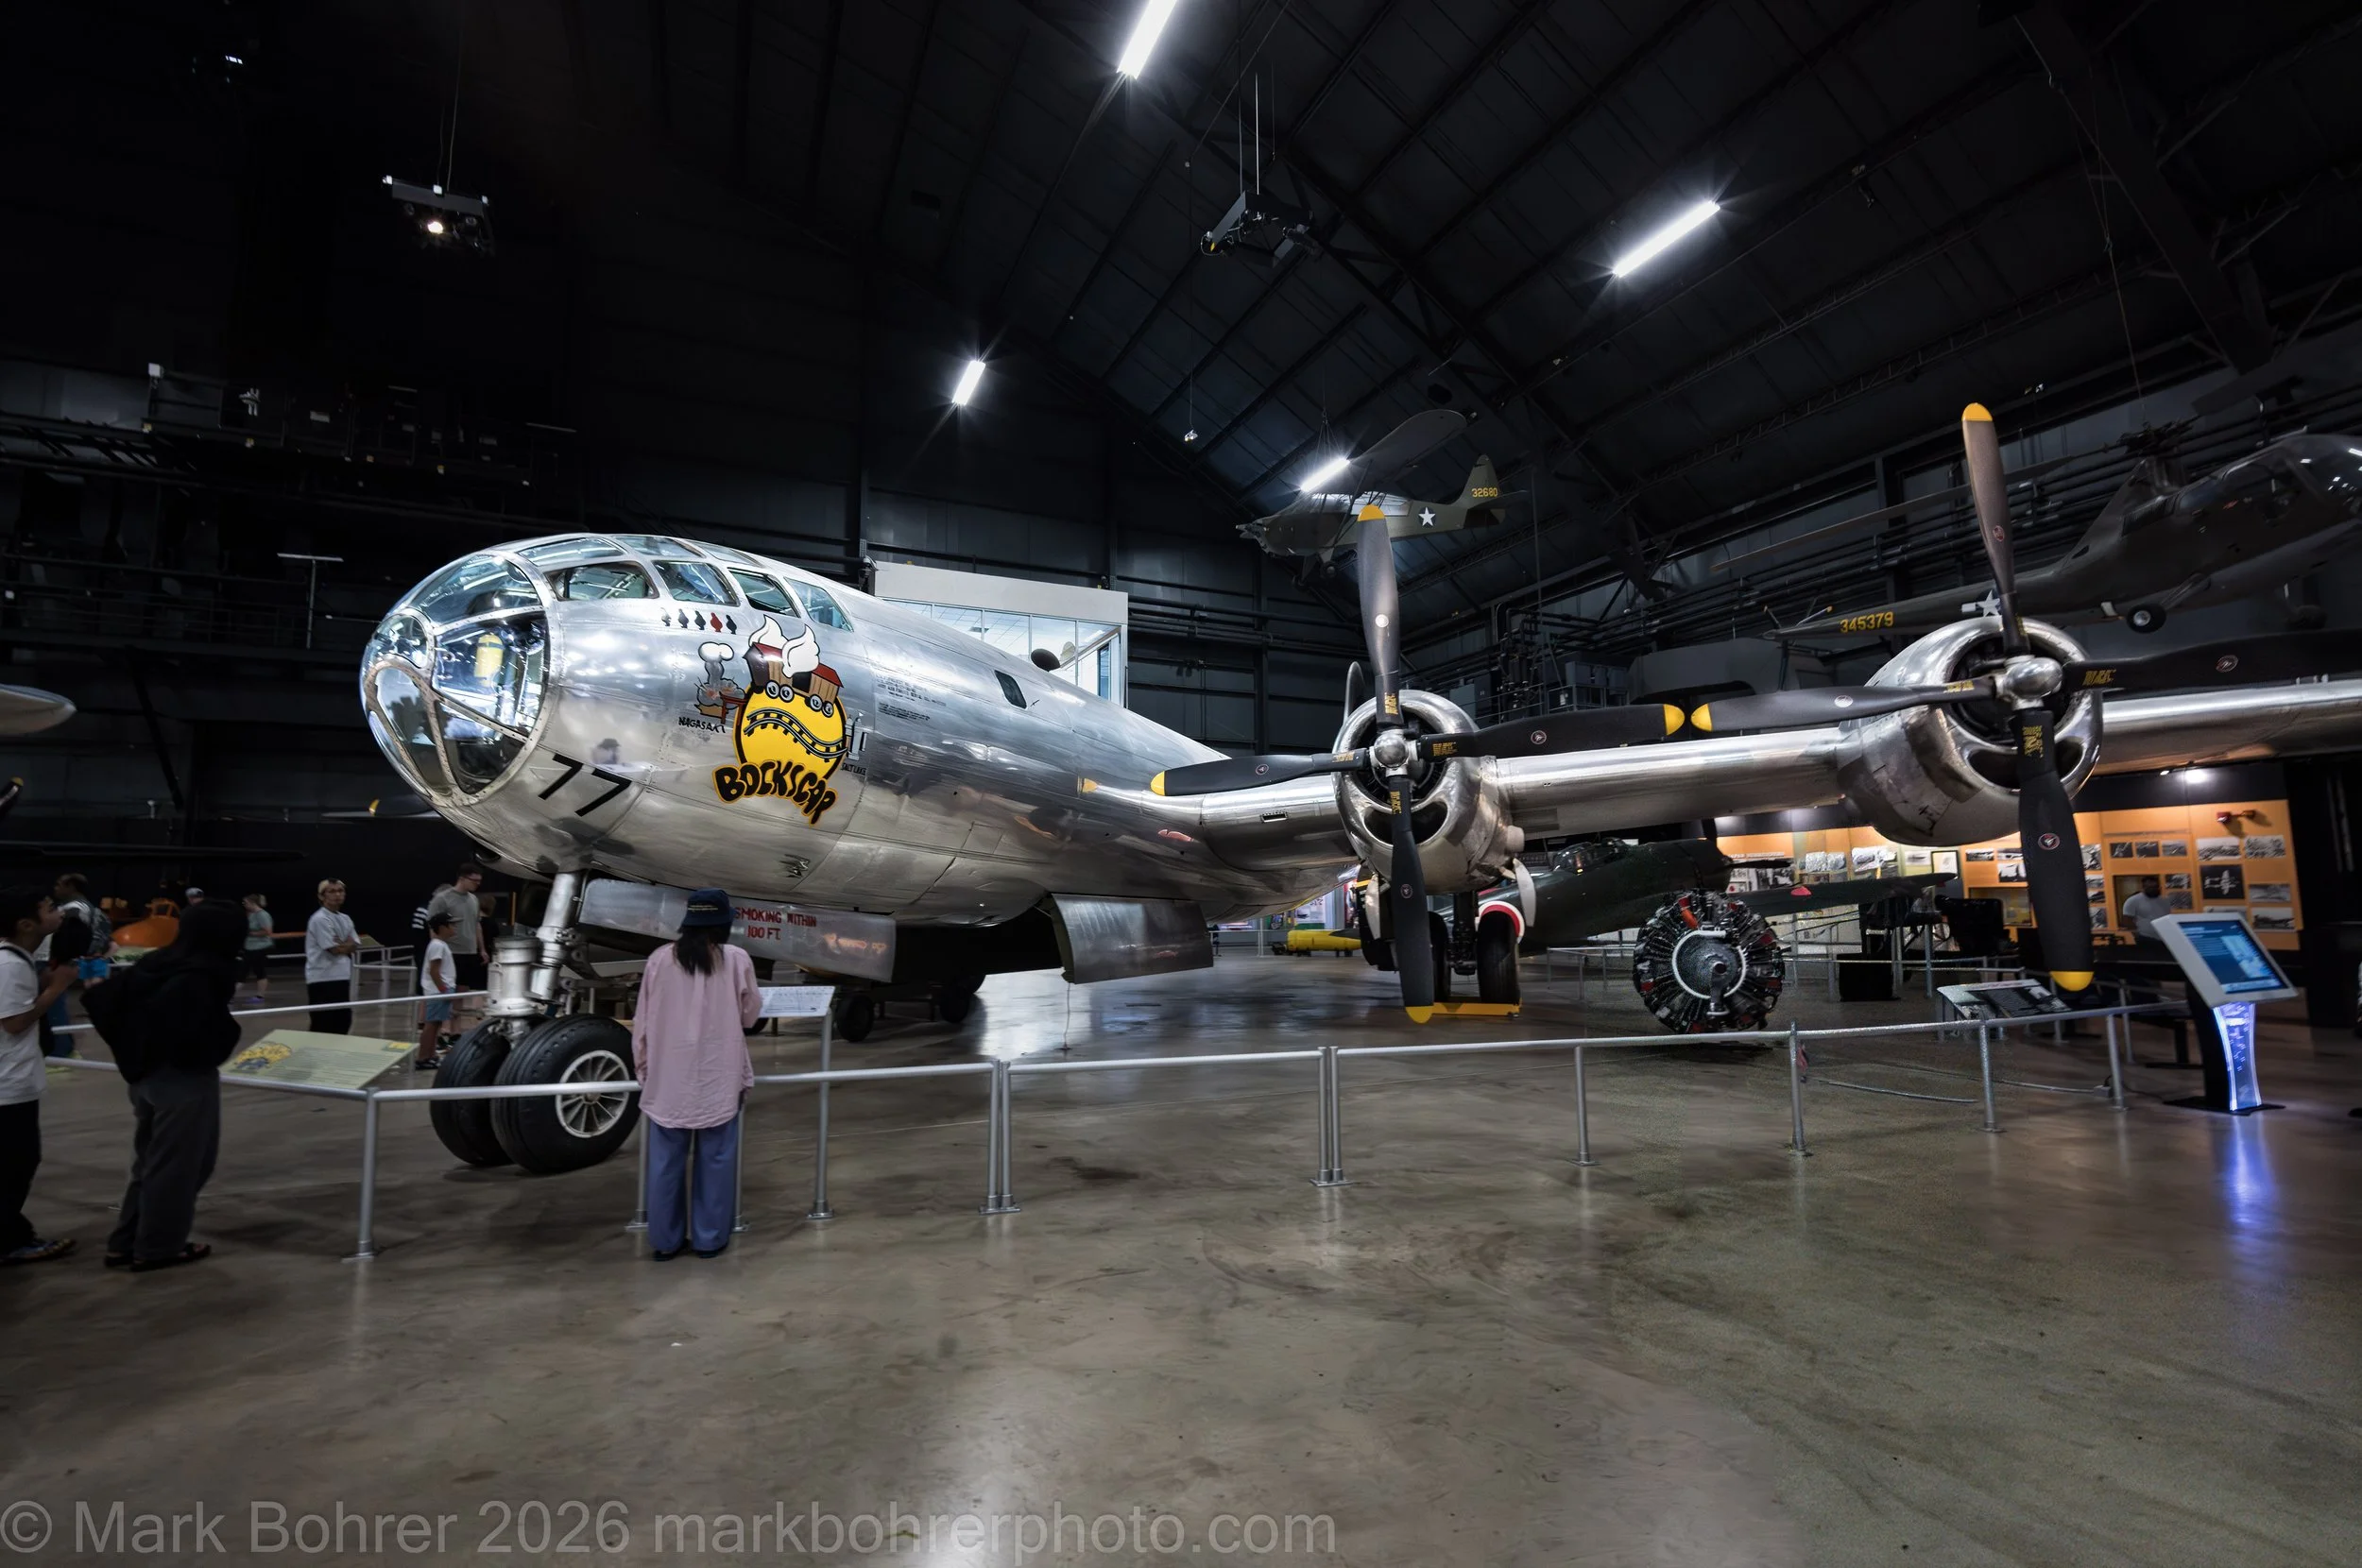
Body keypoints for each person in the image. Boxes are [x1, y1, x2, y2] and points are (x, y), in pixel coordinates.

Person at [101, 899, 244, 1270]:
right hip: (183, 1079)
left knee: (150, 1161)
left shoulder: (158, 962)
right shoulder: (202, 974)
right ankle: (158, 1247)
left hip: (145, 1075)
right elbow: (201, 1029)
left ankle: (126, 1241)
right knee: (180, 1166)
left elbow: (109, 1002)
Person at [632, 888, 760, 1260]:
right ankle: (709, 1239)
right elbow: (750, 1015)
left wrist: (644, 1068)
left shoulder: (659, 959)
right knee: (717, 1160)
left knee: (664, 1164)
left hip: (668, 1079)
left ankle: (665, 1243)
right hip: (720, 1077)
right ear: (723, 925)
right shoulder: (736, 960)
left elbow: (642, 1022)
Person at [1, 885, 78, 1265]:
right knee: (16, 1164)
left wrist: (45, 984)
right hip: (7, 1085)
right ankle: (8, 1242)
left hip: (12, 1081)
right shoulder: (9, 965)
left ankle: (13, 1234)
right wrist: (58, 988)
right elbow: (15, 1022)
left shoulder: (15, 960)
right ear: (26, 924)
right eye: (49, 908)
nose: (58, 913)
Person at [426, 863, 488, 1031]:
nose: (477, 884)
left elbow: (476, 925)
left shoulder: (473, 900)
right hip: (450, 952)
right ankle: (444, 1030)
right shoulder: (442, 899)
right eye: (474, 880)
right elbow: (433, 926)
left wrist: (482, 949)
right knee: (446, 992)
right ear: (462, 878)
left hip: (469, 952)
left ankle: (455, 1031)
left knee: (461, 992)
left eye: (479, 881)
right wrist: (437, 951)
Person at [304, 879, 360, 1033]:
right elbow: (334, 949)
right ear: (322, 896)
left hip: (341, 976)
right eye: (332, 891)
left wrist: (344, 944)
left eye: (340, 891)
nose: (337, 895)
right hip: (322, 978)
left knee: (343, 1021)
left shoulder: (345, 918)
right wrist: (344, 945)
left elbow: (355, 944)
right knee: (323, 1024)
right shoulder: (320, 919)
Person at [415, 912, 456, 1070]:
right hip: (438, 992)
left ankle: (431, 1055)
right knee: (431, 1025)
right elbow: (434, 971)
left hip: (440, 991)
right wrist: (444, 990)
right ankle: (423, 1057)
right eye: (451, 925)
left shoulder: (440, 945)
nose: (454, 928)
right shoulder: (437, 945)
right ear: (442, 927)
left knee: (436, 1024)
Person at [240, 894, 273, 1005]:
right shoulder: (251, 914)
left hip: (260, 948)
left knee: (258, 971)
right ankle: (229, 996)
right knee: (243, 972)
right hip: (250, 947)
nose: (244, 905)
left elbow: (267, 931)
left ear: (252, 903)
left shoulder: (262, 915)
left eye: (246, 903)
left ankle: (260, 996)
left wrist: (250, 933)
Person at [2121, 876, 2173, 942]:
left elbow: (2167, 918)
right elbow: (2127, 920)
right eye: (2149, 887)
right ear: (2143, 888)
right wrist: (2137, 935)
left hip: (2164, 937)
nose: (2153, 889)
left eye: (2155, 887)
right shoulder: (2133, 900)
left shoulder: (2165, 901)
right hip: (2144, 937)